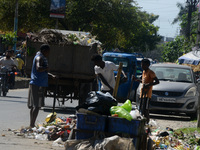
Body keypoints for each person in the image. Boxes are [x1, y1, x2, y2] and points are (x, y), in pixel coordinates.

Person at [28, 44, 56, 128]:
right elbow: (38, 68)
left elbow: (43, 70)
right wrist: (46, 69)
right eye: (48, 52)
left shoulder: (41, 57)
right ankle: (32, 125)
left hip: (39, 83)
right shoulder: (39, 58)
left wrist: (51, 75)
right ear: (44, 50)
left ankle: (31, 124)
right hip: (37, 84)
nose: (48, 53)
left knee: (35, 105)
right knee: (37, 106)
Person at [132, 58, 159, 123]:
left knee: (145, 109)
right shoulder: (144, 72)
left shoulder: (151, 72)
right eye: (141, 65)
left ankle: (147, 122)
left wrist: (148, 84)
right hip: (142, 93)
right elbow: (143, 82)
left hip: (147, 93)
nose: (142, 66)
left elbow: (157, 81)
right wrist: (136, 79)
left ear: (147, 65)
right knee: (141, 109)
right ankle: (142, 122)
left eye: (143, 65)